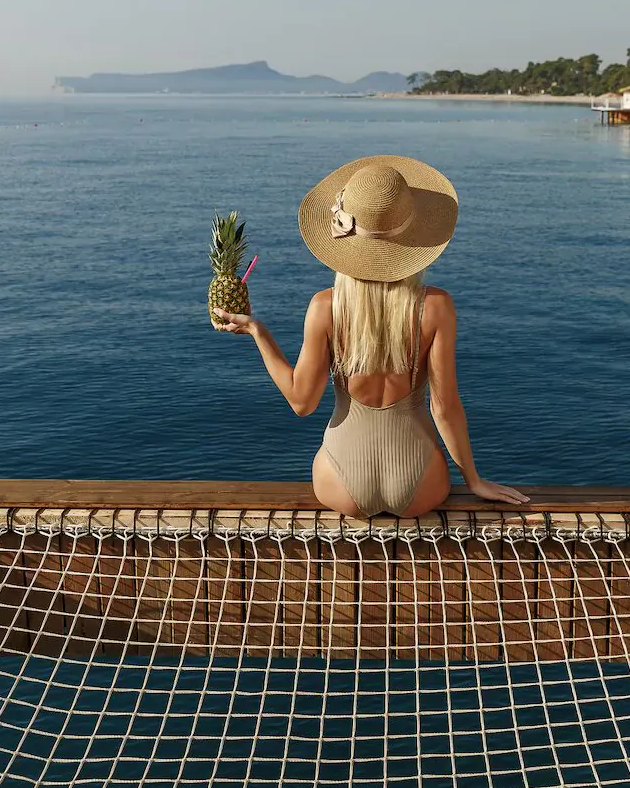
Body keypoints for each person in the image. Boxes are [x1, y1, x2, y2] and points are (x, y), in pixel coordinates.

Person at [211, 155, 528, 518]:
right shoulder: (437, 307)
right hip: (421, 484)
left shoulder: (324, 307)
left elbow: (302, 403)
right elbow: (445, 408)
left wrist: (257, 330)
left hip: (340, 483)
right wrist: (474, 480)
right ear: (415, 241)